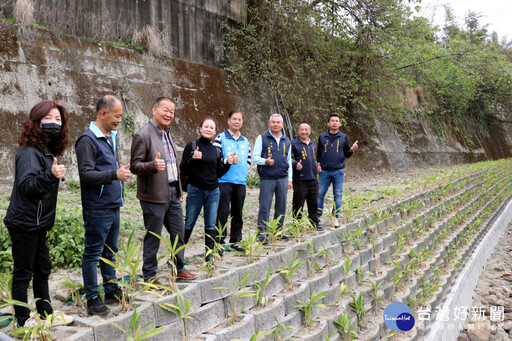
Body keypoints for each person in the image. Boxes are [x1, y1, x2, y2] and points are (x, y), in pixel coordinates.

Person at [3, 100, 73, 327]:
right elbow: (27, 186)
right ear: (36, 121)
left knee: (42, 269)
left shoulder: (45, 150)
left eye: (58, 120)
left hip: (38, 223)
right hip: (24, 222)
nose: (54, 123)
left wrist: (51, 175)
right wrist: (51, 176)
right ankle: (23, 319)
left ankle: (46, 313)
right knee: (23, 272)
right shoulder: (28, 151)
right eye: (49, 118)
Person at [75, 95, 132, 316]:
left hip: (113, 204)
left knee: (110, 250)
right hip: (97, 207)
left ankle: (110, 289)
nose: (119, 120)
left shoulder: (112, 136)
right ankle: (92, 299)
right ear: (103, 113)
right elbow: (86, 174)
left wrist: (118, 174)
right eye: (117, 116)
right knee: (93, 253)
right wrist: (114, 175)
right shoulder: (87, 140)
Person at [130, 97, 197, 282]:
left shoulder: (167, 133)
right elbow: (135, 166)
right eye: (165, 110)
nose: (169, 114)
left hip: (173, 192)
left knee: (179, 232)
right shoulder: (143, 134)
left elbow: (174, 165)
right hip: (153, 194)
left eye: (172, 112)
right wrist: (152, 165)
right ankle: (150, 276)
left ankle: (179, 267)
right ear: (154, 110)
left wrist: (180, 190)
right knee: (154, 236)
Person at [180, 118, 233, 261]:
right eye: (206, 126)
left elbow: (218, 173)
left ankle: (209, 258)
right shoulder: (191, 146)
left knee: (210, 225)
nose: (208, 129)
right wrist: (192, 157)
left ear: (215, 131)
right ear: (200, 128)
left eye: (212, 127)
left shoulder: (215, 150)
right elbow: (183, 167)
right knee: (189, 223)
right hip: (196, 191)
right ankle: (177, 257)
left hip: (213, 192)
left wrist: (228, 163)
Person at [213, 110, 251, 252]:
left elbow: (248, 160)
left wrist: (243, 173)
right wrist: (227, 160)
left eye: (239, 119)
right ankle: (219, 242)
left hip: (240, 182)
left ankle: (236, 241)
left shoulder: (245, 140)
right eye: (234, 119)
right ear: (228, 120)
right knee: (222, 213)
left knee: (238, 213)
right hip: (224, 181)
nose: (237, 122)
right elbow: (215, 160)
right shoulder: (220, 138)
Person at [253, 114, 292, 242]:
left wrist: (290, 179)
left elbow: (289, 161)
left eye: (278, 122)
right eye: (273, 122)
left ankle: (278, 232)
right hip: (267, 178)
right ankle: (262, 234)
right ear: (269, 124)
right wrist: (265, 161)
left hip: (283, 178)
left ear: (282, 125)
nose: (276, 124)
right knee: (265, 206)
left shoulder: (286, 140)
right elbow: (255, 157)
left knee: (281, 206)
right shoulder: (262, 138)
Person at [317, 114, 358, 227]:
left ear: (339, 123)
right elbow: (319, 152)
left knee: (338, 195)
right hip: (324, 171)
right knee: (320, 194)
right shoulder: (322, 136)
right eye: (332, 121)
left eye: (336, 121)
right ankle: (317, 217)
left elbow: (347, 154)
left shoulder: (343, 137)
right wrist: (318, 164)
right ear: (328, 123)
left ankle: (335, 217)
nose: (334, 123)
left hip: (338, 171)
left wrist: (352, 149)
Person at [291, 122, 321, 230]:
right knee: (298, 203)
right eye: (302, 130)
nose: (304, 132)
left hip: (313, 178)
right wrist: (295, 164)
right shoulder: (293, 143)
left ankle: (314, 223)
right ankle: (297, 225)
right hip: (300, 179)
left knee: (313, 202)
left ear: (310, 131)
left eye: (306, 130)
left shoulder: (312, 144)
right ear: (298, 131)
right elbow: (289, 159)